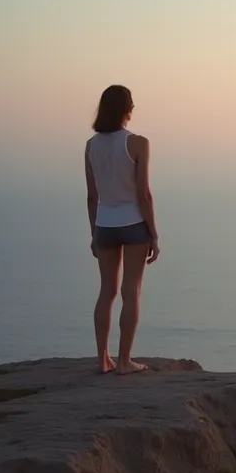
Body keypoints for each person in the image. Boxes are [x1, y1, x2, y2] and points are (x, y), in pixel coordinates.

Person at [84, 85, 161, 375]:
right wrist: (153, 233)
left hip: (104, 224)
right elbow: (144, 194)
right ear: (129, 109)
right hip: (133, 224)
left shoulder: (91, 145)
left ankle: (103, 359)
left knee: (106, 292)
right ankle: (125, 361)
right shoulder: (138, 143)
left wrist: (94, 233)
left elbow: (92, 196)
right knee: (132, 291)